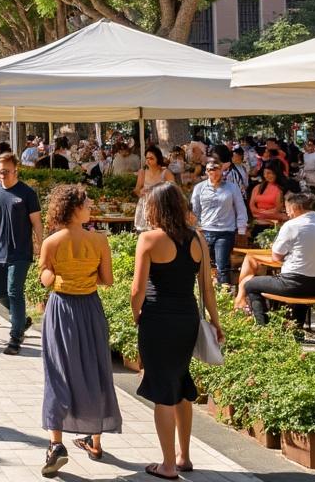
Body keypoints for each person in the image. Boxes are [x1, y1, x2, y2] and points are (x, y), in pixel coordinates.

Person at [132, 182, 221, 480]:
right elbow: (207, 288)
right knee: (181, 384)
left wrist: (136, 316)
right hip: (187, 319)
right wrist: (216, 322)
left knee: (163, 391)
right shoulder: (198, 238)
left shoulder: (149, 239)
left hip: (157, 320)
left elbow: (137, 291)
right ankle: (184, 456)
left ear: (154, 208)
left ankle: (168, 465)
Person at [38, 184, 120, 477]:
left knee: (58, 372)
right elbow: (107, 279)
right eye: (87, 204)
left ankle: (56, 444)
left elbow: (44, 277)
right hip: (90, 308)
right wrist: (84, 277)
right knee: (95, 370)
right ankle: (94, 439)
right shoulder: (99, 241)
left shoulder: (52, 241)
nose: (90, 207)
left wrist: (61, 278)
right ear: (75, 208)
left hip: (61, 310)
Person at [235, 192, 315, 325]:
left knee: (250, 285)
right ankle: (297, 326)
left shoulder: (292, 225)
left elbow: (276, 256)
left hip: (293, 284)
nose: (287, 213)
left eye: (287, 209)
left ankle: (262, 325)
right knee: (302, 289)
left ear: (294, 208)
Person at [0, 153, 42, 355]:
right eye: (0, 172)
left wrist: (41, 247)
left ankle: (15, 337)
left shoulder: (27, 193)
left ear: (16, 170)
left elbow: (36, 223)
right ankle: (22, 320)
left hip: (20, 251)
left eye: (6, 172)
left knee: (14, 291)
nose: (2, 175)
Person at [190, 160, 247, 287]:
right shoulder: (199, 188)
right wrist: (194, 228)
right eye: (210, 169)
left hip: (225, 231)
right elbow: (195, 210)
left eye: (216, 169)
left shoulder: (232, 187)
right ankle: (205, 292)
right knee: (203, 264)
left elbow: (240, 209)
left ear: (221, 170)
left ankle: (225, 295)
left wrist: (241, 230)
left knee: (222, 265)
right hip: (205, 231)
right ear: (206, 172)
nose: (213, 172)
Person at [133, 146, 178, 232]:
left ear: (158, 159)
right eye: (147, 158)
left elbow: (174, 190)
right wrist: (140, 192)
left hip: (161, 206)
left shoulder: (165, 173)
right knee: (144, 231)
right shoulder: (142, 172)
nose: (148, 161)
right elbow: (136, 190)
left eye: (151, 158)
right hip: (145, 206)